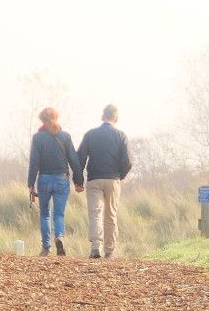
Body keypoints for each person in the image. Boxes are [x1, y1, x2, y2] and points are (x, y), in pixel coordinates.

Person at [76, 104, 132, 259]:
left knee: (95, 214)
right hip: (113, 180)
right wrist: (120, 176)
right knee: (111, 215)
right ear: (116, 118)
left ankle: (95, 248)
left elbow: (79, 158)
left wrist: (78, 180)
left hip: (94, 180)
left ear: (103, 116)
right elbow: (128, 161)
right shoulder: (121, 135)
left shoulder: (90, 135)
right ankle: (109, 250)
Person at [27, 107, 84, 257]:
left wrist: (31, 183)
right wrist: (79, 181)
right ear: (56, 118)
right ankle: (59, 237)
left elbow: (34, 162)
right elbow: (74, 160)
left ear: (42, 120)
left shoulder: (37, 138)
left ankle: (46, 247)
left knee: (45, 214)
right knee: (59, 214)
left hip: (44, 179)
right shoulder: (65, 137)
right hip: (61, 179)